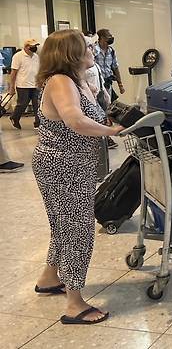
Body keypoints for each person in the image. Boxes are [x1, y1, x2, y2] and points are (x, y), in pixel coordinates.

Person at [32, 29, 122, 325]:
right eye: (86, 47)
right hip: (63, 166)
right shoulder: (60, 81)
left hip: (68, 164)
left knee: (62, 224)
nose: (93, 50)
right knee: (77, 229)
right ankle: (74, 303)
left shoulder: (74, 80)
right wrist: (111, 132)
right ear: (71, 52)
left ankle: (49, 277)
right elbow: (75, 120)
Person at [9, 39, 41, 130]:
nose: (35, 48)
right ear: (26, 47)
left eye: (36, 46)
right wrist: (12, 87)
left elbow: (38, 71)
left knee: (37, 105)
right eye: (33, 46)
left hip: (35, 85)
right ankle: (14, 117)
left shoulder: (36, 57)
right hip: (23, 86)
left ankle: (38, 123)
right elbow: (13, 72)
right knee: (22, 104)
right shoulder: (18, 56)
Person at [94, 29, 125, 103]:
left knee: (109, 105)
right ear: (102, 38)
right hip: (96, 84)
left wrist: (120, 85)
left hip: (108, 83)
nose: (111, 37)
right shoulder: (94, 50)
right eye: (109, 36)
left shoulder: (111, 51)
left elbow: (115, 67)